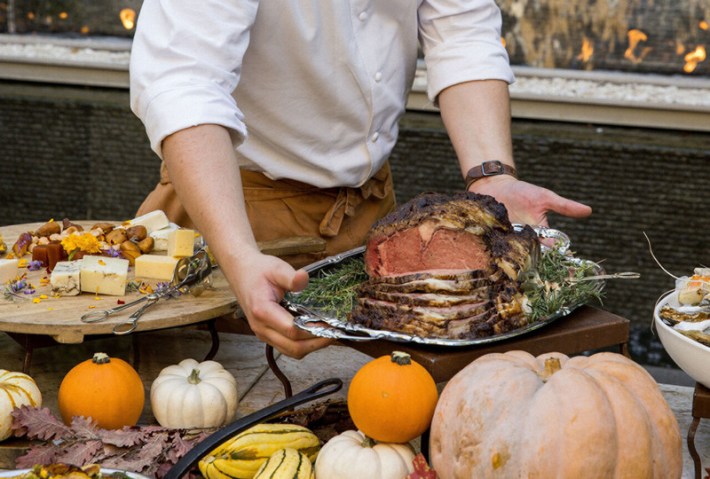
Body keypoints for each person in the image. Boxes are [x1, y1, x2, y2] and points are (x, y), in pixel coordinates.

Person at [129, 0, 592, 359]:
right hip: (236, 220)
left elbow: (462, 29)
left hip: (370, 221)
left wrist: (492, 177)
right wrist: (239, 255)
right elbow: (182, 82)